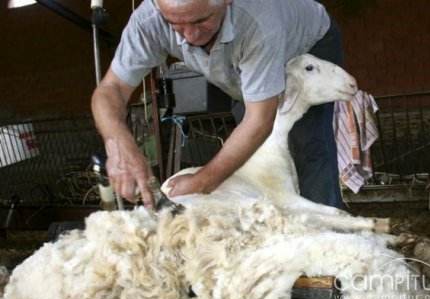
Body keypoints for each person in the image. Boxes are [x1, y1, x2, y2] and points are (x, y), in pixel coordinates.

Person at [91, 0, 344, 210]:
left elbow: (259, 121)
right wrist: (118, 142)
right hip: (244, 59)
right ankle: (274, 227)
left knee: (307, 140)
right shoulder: (148, 21)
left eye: (201, 20)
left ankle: (329, 241)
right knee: (254, 153)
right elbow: (110, 90)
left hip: (306, 45)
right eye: (174, 23)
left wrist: (202, 181)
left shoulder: (258, 20)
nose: (190, 36)